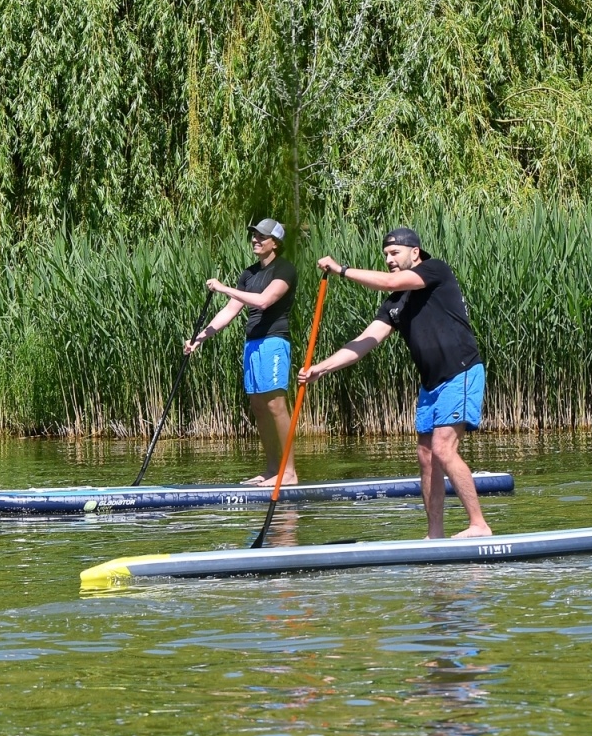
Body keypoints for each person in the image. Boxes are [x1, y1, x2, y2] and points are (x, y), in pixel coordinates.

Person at [303, 228, 492, 539]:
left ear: (414, 253)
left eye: (395, 253)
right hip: (430, 385)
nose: (389, 259)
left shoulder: (435, 270)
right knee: (426, 456)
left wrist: (341, 270)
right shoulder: (395, 303)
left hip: (460, 371)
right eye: (386, 255)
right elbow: (366, 340)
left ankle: (479, 525)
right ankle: (434, 535)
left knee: (443, 448)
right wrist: (321, 368)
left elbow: (390, 281)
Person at [185, 218, 298, 485]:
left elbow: (264, 301)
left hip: (274, 342)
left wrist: (224, 288)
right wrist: (199, 338)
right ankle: (272, 470)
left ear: (275, 243)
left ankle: (289, 472)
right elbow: (230, 310)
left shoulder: (284, 269)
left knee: (276, 405)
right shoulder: (249, 274)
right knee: (258, 406)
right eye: (254, 235)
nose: (255, 240)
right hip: (253, 344)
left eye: (261, 236)